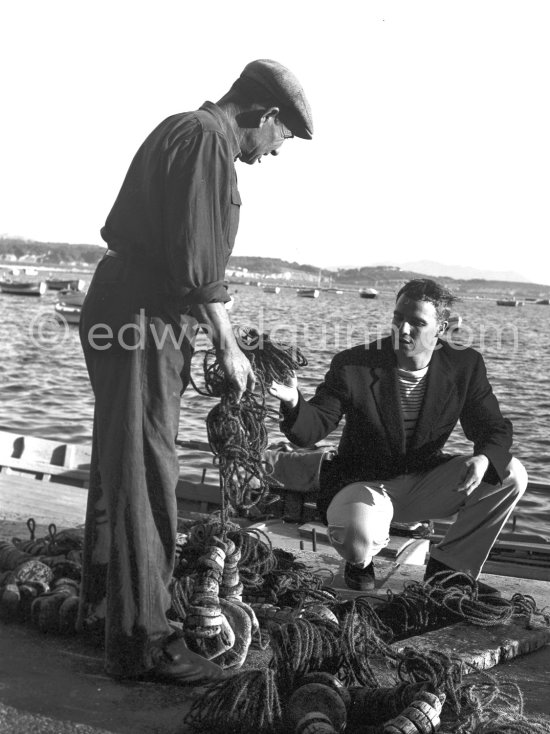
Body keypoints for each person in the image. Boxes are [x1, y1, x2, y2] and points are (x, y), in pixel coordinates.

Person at [77, 59, 313, 683]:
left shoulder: (178, 127)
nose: (278, 151)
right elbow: (197, 263)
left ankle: (100, 608)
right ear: (264, 115)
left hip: (121, 300)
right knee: (146, 473)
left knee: (116, 464)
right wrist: (229, 345)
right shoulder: (210, 142)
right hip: (145, 316)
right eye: (283, 136)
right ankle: (142, 642)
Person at [269, 279, 527, 593]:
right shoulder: (353, 365)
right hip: (362, 483)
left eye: (417, 323)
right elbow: (315, 426)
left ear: (441, 328)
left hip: (424, 482)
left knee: (511, 473)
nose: (403, 330)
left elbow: (493, 428)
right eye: (397, 319)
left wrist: (484, 459)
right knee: (357, 540)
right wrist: (294, 401)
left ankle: (448, 572)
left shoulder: (465, 365)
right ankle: (360, 564)